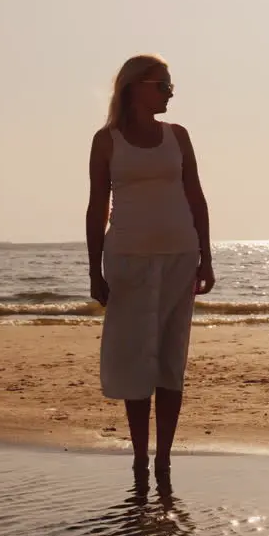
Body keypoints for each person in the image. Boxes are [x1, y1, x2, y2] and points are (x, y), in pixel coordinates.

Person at [86, 54, 215, 479]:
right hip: (127, 258)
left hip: (180, 255)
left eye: (170, 87)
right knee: (136, 357)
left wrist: (206, 257)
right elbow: (95, 208)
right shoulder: (107, 140)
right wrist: (94, 270)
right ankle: (141, 454)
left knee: (170, 356)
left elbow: (196, 196)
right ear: (135, 87)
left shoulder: (178, 136)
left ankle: (164, 456)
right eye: (162, 86)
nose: (168, 94)